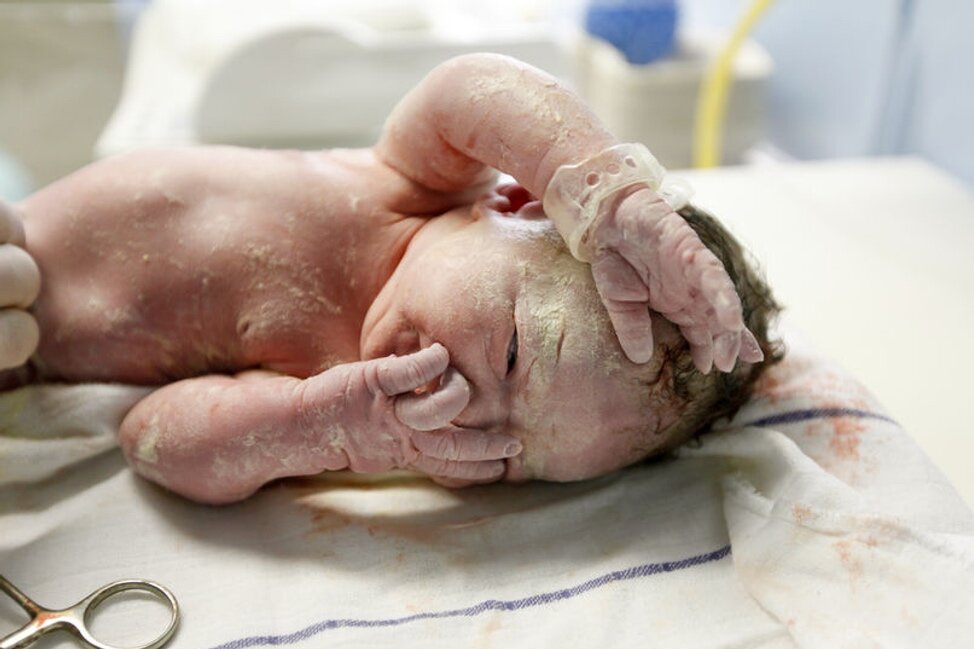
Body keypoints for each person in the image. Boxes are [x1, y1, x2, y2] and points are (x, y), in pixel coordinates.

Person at [0, 53, 778, 504]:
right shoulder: (410, 185)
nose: (466, 412)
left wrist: (316, 427)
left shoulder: (339, 386)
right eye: (512, 354)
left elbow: (154, 441)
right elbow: (471, 88)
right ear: (523, 203)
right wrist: (603, 191)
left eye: (507, 456)